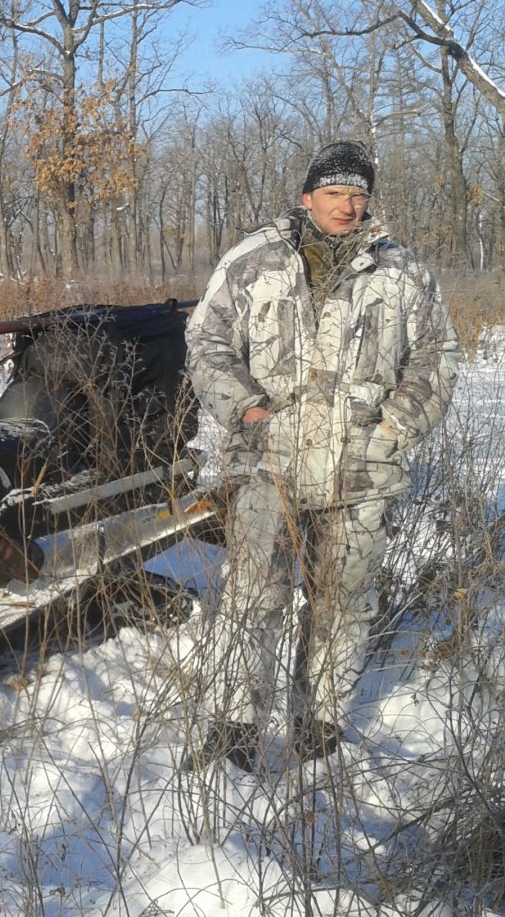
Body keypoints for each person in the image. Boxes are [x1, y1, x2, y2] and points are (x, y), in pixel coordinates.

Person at [183, 139, 459, 768]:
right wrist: (244, 405)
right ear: (307, 197)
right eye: (335, 193)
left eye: (359, 194)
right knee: (253, 599)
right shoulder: (254, 261)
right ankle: (233, 731)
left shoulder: (401, 271)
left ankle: (320, 731)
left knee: (344, 602)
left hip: (364, 469)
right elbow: (206, 339)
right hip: (267, 463)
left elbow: (439, 355)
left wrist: (393, 425)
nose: (348, 205)